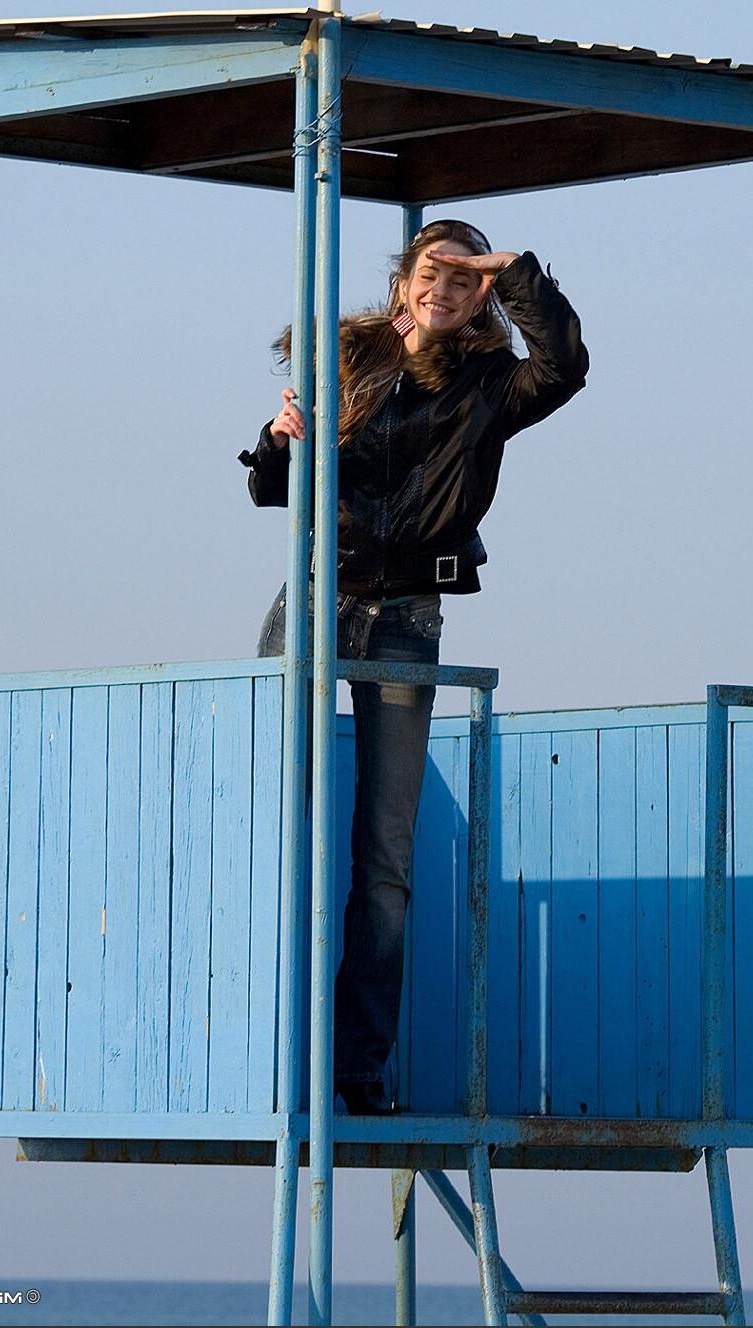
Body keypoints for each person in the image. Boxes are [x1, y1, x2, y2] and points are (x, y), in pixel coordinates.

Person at [238, 218, 588, 1113]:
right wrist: (281, 443)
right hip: (318, 593)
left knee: (385, 860)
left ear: (481, 302)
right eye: (435, 270)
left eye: (467, 280)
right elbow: (272, 491)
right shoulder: (339, 359)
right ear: (403, 283)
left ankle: (358, 1067)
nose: (447, 287)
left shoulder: (489, 383)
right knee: (273, 826)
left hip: (408, 617)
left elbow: (566, 369)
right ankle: (260, 1048)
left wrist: (516, 274)